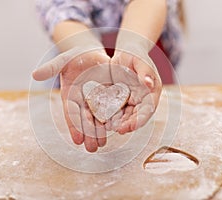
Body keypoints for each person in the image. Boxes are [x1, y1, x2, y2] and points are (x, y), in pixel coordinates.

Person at [32, 0, 183, 152]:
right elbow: (60, 9)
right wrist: (85, 48)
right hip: (78, 66)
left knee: (156, 140)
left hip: (143, 58)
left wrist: (133, 45)